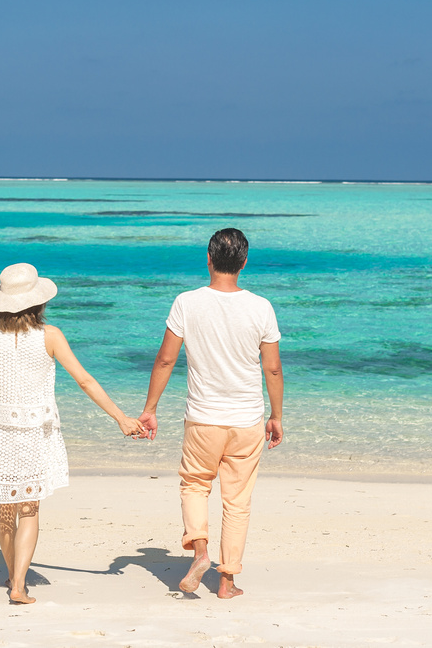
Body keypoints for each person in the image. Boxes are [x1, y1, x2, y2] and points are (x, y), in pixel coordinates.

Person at [0, 263, 145, 605]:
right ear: (38, 301)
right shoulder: (50, 336)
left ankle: (13, 575)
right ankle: (18, 583)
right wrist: (120, 417)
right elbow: (85, 380)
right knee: (29, 508)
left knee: (5, 509)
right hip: (35, 434)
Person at [137, 228, 284, 600]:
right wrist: (276, 415)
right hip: (247, 420)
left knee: (195, 485)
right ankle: (227, 581)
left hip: (203, 418)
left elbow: (166, 358)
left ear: (208, 258)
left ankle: (201, 552)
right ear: (244, 263)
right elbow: (272, 369)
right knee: (237, 501)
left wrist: (150, 409)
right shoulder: (261, 307)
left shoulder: (187, 302)